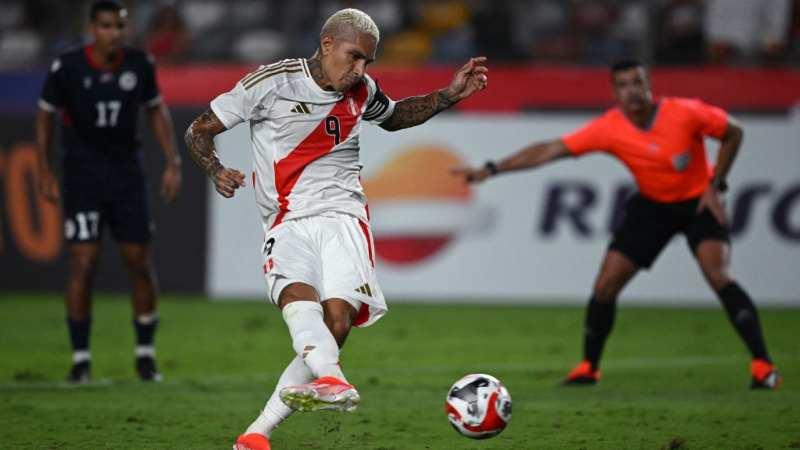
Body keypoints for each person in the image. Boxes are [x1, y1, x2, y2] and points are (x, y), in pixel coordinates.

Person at [183, 8, 487, 450]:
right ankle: (312, 392)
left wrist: (449, 95)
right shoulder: (270, 84)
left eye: (368, 61)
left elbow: (396, 116)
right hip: (285, 219)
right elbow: (198, 130)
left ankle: (261, 430)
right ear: (327, 45)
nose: (360, 69)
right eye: (355, 57)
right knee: (295, 297)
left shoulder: (362, 91)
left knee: (338, 321)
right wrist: (214, 169)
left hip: (344, 215)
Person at [452, 60, 781, 390]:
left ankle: (763, 366)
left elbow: (733, 132)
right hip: (652, 207)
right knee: (606, 284)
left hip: (699, 202)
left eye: (637, 82)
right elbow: (550, 150)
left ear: (649, 84)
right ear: (615, 91)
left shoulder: (685, 112)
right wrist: (492, 168)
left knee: (719, 274)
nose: (632, 91)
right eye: (623, 85)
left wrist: (716, 184)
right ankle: (588, 368)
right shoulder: (610, 127)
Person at [35, 0, 182, 383]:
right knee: (84, 262)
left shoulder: (139, 64)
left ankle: (145, 355)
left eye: (119, 26)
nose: (113, 34)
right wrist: (44, 168)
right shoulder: (66, 67)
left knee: (138, 260)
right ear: (92, 28)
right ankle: (81, 358)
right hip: (82, 177)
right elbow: (45, 113)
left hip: (126, 176)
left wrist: (172, 162)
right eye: (105, 27)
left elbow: (155, 109)